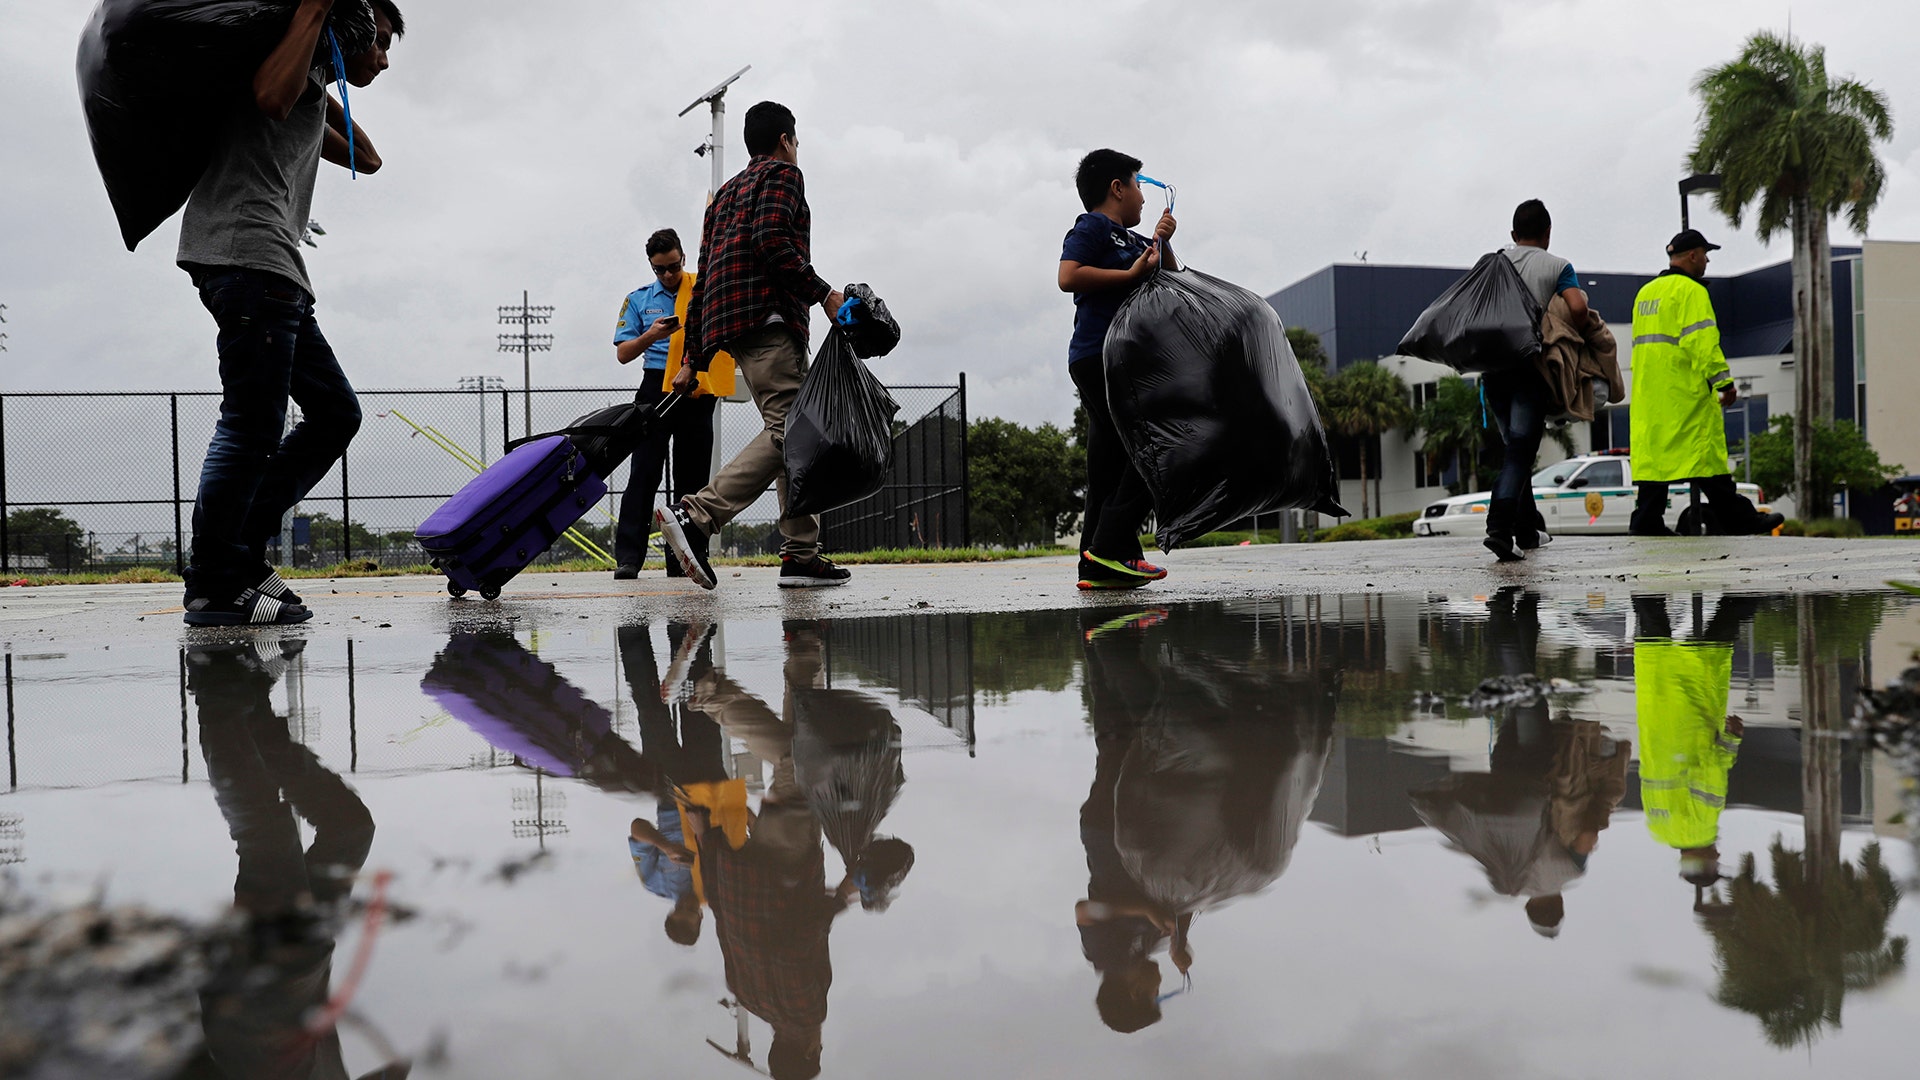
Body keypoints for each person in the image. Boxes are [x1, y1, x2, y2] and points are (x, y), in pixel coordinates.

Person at [177, 0, 404, 625]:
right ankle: (214, 579)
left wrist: (324, 73)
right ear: (347, 25)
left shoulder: (304, 85)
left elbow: (367, 155)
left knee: (335, 413)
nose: (384, 59)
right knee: (251, 426)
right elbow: (271, 99)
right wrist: (312, 15)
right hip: (249, 258)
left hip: (271, 270)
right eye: (379, 42)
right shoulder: (279, 79)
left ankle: (240, 550)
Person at [657, 101, 851, 592]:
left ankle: (802, 554)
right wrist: (824, 293)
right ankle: (697, 515)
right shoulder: (784, 176)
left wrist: (693, 358)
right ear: (786, 139)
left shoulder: (723, 195)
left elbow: (703, 282)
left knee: (791, 434)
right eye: (797, 141)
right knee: (792, 429)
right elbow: (771, 239)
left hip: (730, 324)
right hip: (769, 317)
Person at [186, 640, 401, 1078]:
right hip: (307, 971)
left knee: (267, 837)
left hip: (261, 1001)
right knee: (350, 828)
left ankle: (219, 701)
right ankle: (258, 720)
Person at [1057, 150, 1177, 590]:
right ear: (1116, 188)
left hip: (1121, 359)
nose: (1144, 200)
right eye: (1139, 187)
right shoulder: (1092, 228)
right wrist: (1129, 275)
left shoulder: (1135, 240)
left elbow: (1170, 274)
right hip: (1102, 356)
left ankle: (1096, 564)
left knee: (1107, 465)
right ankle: (1112, 547)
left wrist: (1162, 240)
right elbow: (1068, 276)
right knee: (1156, 447)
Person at [1627, 231, 1786, 537]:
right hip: (1684, 395)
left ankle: (1646, 520)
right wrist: (1723, 382)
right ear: (1692, 256)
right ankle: (1741, 520)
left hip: (1651, 397)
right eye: (1705, 253)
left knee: (1656, 465)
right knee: (1708, 460)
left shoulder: (1646, 294)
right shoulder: (1691, 291)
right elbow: (1702, 342)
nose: (1707, 260)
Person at [619, 622, 748, 947]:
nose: (689, 910)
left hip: (670, 791)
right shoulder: (719, 889)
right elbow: (740, 842)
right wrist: (750, 816)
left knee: (651, 711)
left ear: (672, 914)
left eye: (681, 915)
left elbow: (636, 827)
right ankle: (689, 632)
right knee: (698, 706)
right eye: (693, 916)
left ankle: (631, 632)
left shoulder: (655, 882)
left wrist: (666, 847)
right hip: (711, 786)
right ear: (701, 918)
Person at [610, 228, 725, 579]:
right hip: (655, 386)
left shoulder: (703, 289)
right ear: (651, 267)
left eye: (674, 266)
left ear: (684, 258)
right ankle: (629, 557)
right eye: (660, 269)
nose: (669, 275)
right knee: (644, 472)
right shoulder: (639, 299)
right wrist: (652, 335)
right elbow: (623, 354)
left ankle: (685, 558)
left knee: (691, 478)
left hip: (695, 386)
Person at [1632, 593, 1761, 899]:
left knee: (1720, 636)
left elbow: (1711, 771)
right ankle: (1644, 574)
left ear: (1702, 861)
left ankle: (1750, 589)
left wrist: (1731, 741)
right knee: (1655, 634)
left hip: (1691, 722)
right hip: (1657, 711)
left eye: (1714, 861)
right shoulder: (1658, 828)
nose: (1718, 855)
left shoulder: (1702, 827)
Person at [1481, 200, 1590, 563]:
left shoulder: (1492, 262)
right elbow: (1577, 308)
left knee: (1515, 448)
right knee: (1520, 453)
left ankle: (1526, 531)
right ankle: (1499, 529)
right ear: (1547, 233)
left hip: (1492, 371)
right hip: (1529, 369)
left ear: (1513, 235)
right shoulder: (1557, 265)